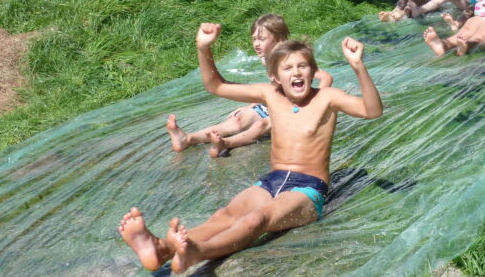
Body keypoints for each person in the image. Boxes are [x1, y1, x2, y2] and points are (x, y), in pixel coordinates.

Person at [119, 24, 383, 273]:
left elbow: (372, 111)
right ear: (275, 76)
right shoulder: (270, 95)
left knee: (255, 221)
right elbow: (216, 86)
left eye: (302, 66)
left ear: (312, 72)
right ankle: (160, 249)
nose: (296, 72)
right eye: (287, 68)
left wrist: (358, 67)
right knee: (225, 216)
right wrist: (203, 47)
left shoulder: (326, 98)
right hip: (273, 179)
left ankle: (195, 252)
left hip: (308, 189)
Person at [166, 14, 333, 158]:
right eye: (254, 39)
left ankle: (226, 143)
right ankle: (187, 139)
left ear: (279, 38)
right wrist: (253, 104)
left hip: (294, 110)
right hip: (276, 103)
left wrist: (316, 104)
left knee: (260, 125)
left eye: (262, 39)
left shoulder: (290, 57)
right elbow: (276, 86)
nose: (256, 44)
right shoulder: (266, 58)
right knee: (238, 120)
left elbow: (326, 76)